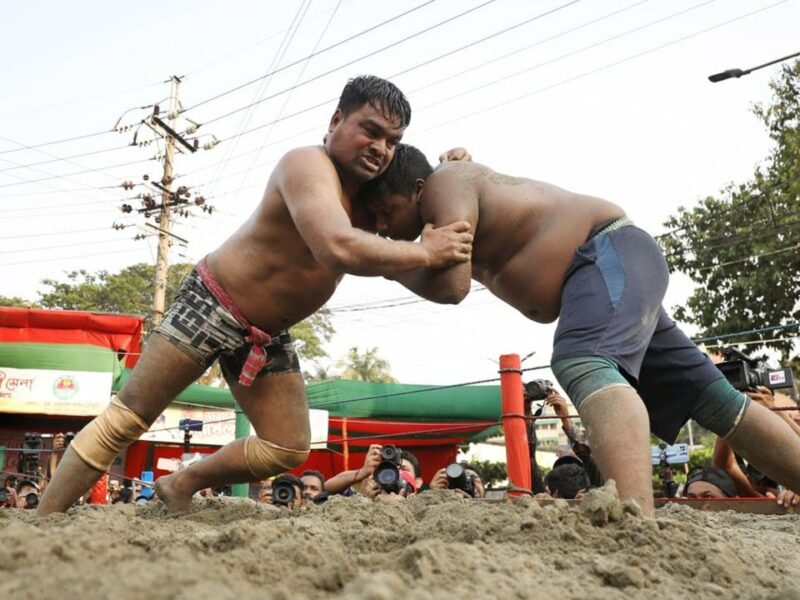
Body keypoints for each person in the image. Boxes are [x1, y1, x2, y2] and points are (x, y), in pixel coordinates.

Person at [38, 76, 474, 516]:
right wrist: (423, 250)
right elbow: (335, 244)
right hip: (213, 302)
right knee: (128, 417)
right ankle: (42, 520)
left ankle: (180, 483)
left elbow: (429, 272)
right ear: (337, 119)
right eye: (371, 130)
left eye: (392, 140)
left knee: (287, 446)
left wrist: (450, 180)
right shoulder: (306, 165)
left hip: (265, 334)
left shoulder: (372, 205)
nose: (381, 147)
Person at [360, 143, 800, 516]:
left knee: (583, 359)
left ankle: (634, 518)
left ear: (417, 189)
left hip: (607, 253)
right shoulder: (445, 206)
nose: (381, 227)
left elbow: (453, 286)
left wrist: (384, 258)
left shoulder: (445, 182)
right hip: (608, 277)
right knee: (714, 400)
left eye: (385, 212)